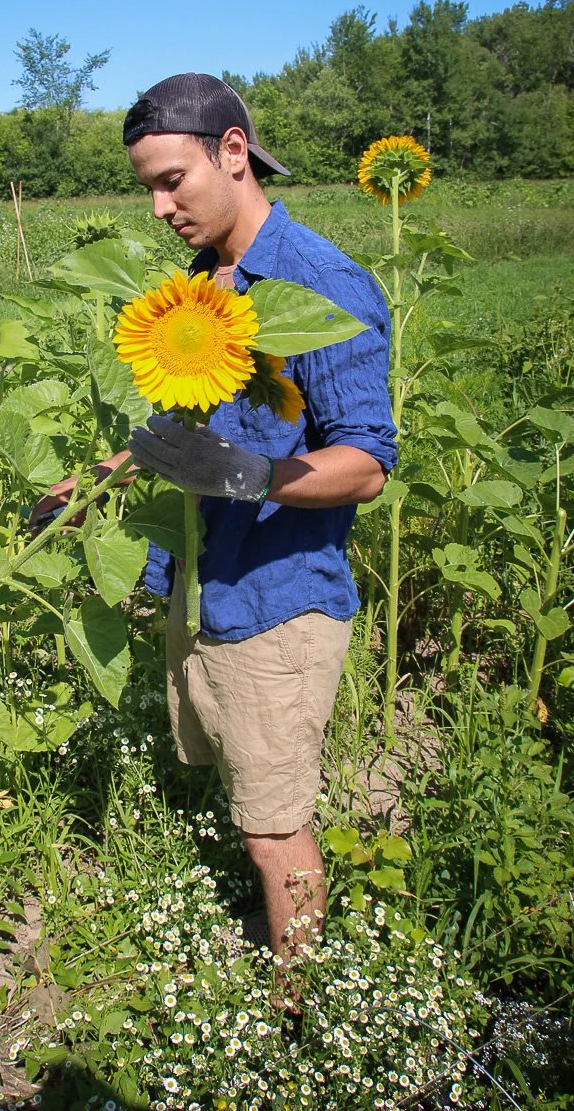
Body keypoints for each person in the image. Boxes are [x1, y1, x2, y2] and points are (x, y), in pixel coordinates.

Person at [33, 73, 397, 960]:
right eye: (147, 187)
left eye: (170, 181)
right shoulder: (204, 281)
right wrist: (99, 478)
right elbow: (185, 422)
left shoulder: (317, 285)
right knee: (247, 806)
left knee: (277, 829)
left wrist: (247, 475)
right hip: (208, 588)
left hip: (278, 599)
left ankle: (296, 1021)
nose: (159, 207)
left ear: (232, 153)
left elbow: (367, 461)